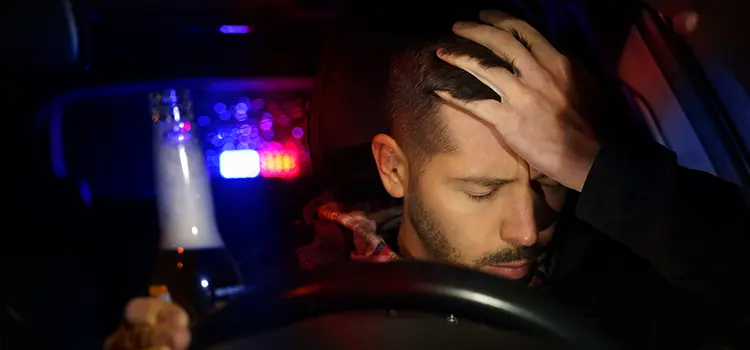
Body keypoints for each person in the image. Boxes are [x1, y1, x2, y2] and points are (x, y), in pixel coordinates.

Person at [105, 10, 750, 349]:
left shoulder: (629, 285)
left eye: (551, 183)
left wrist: (595, 168)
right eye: (480, 189)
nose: (527, 228)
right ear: (393, 168)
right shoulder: (273, 286)